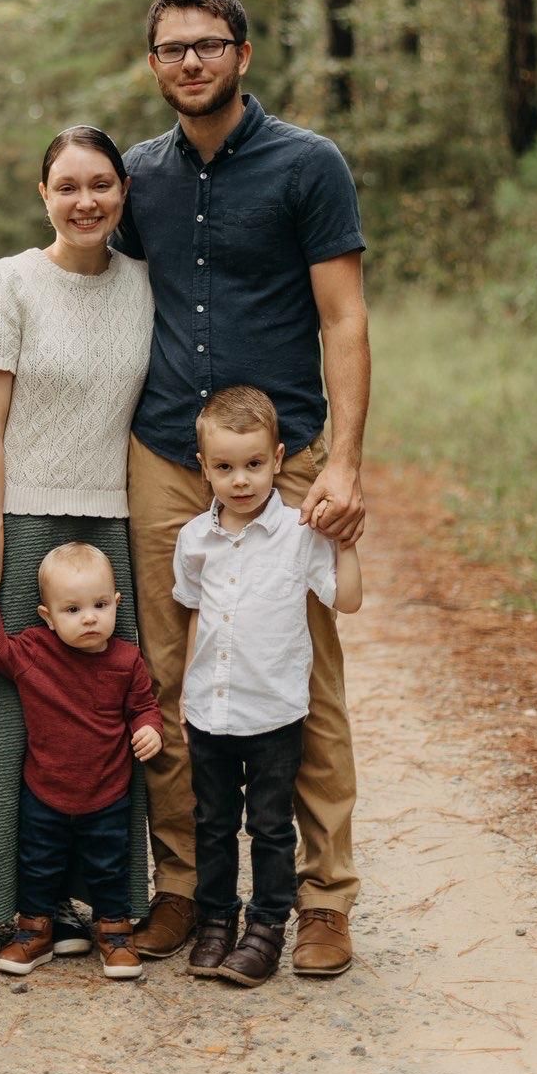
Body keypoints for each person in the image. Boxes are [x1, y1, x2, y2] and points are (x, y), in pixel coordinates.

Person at [115, 0, 370, 977]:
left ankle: (323, 898)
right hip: (166, 459)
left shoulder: (308, 166)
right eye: (172, 48)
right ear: (152, 65)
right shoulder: (138, 180)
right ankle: (185, 887)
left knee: (301, 677)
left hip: (287, 457)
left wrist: (341, 465)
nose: (190, 62)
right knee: (168, 678)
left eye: (208, 45)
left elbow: (343, 320)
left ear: (242, 55)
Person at [0, 126, 155, 964]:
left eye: (101, 184)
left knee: (91, 723)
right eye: (67, 185)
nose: (85, 200)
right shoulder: (6, 283)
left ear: (124, 191)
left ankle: (66, 897)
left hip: (104, 529)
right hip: (10, 521)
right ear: (43, 195)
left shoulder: (145, 287)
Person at [175, 387, 362, 988]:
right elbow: (194, 615)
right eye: (224, 467)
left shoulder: (299, 534)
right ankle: (215, 922)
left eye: (254, 464)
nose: (240, 481)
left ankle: (266, 928)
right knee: (214, 822)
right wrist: (188, 692)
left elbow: (348, 600)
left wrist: (346, 545)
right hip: (211, 713)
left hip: (275, 716)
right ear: (202, 467)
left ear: (278, 458)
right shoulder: (193, 541)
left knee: (272, 827)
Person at [0, 542, 163, 980]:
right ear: (48, 617)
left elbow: (144, 707)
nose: (89, 617)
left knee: (108, 865)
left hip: (108, 791)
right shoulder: (36, 651)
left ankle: (114, 934)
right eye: (72, 610)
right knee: (38, 863)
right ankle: (34, 933)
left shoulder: (127, 659)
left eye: (98, 605)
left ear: (116, 604)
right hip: (45, 789)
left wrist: (149, 729)